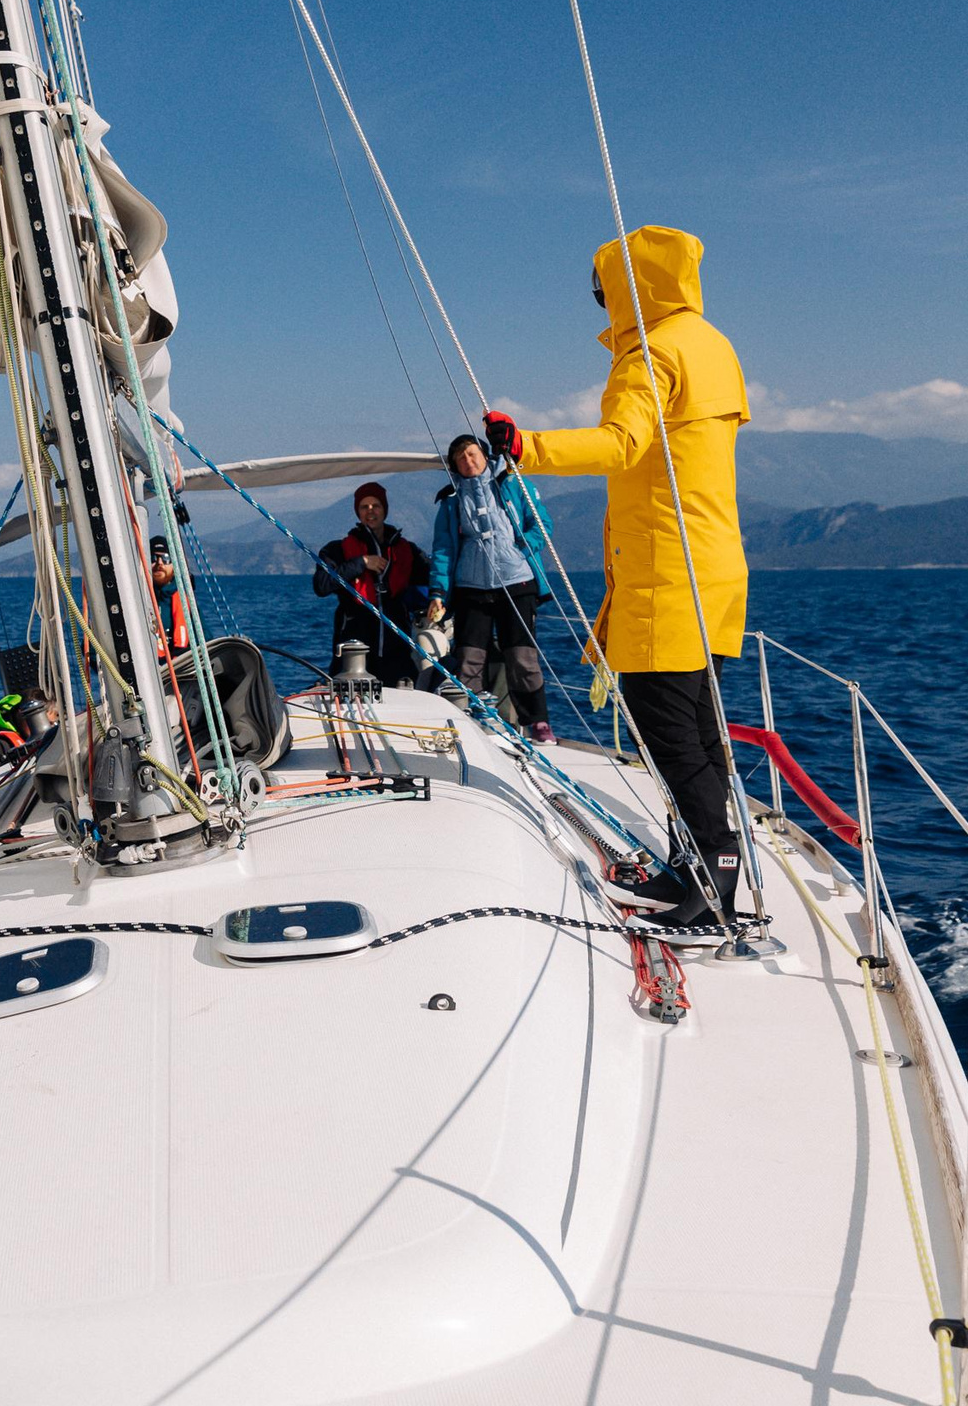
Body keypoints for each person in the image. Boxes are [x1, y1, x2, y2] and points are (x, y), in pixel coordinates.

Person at [485, 226, 751, 931]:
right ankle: (700, 865)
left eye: (603, 291)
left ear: (634, 289)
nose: (600, 305)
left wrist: (524, 446)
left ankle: (711, 878)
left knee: (668, 731)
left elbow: (622, 443)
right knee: (698, 728)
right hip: (717, 572)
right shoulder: (714, 347)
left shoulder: (651, 353)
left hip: (667, 572)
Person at [427, 434, 554, 741]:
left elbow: (542, 525)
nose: (468, 462)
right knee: (469, 657)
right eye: (461, 458)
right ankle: (469, 718)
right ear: (455, 465)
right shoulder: (451, 501)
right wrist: (438, 593)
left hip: (517, 582)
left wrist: (520, 550)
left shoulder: (513, 484)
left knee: (522, 657)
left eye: (472, 454)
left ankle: (537, 722)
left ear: (484, 455)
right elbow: (443, 549)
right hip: (471, 586)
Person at [314, 482, 430, 686]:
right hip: (353, 647)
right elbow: (321, 585)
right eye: (364, 507)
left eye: (376, 505)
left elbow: (433, 574)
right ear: (357, 512)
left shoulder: (406, 551)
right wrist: (361, 563)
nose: (370, 511)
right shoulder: (337, 550)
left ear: (384, 509)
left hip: (396, 649)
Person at [149, 535, 190, 662]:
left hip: (179, 671)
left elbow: (205, 642)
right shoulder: (134, 599)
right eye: (153, 558)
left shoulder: (184, 600)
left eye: (166, 558)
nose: (159, 563)